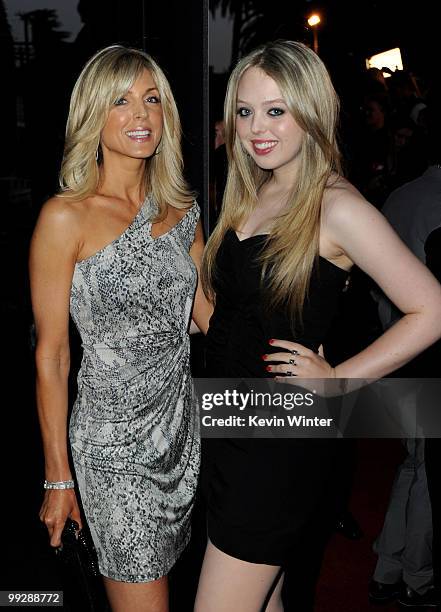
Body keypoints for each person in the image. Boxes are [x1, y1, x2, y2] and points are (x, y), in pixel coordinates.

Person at [196, 40, 441, 612]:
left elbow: (431, 309)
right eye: (245, 110)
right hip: (229, 424)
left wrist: (338, 381)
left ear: (311, 110)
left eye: (276, 110)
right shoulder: (258, 188)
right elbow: (233, 313)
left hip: (277, 440)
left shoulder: (337, 205)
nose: (258, 127)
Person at [29, 45, 211, 612]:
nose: (141, 114)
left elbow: (210, 319)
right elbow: (51, 357)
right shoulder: (67, 216)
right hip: (112, 449)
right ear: (93, 115)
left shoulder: (183, 211)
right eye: (121, 100)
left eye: (152, 100)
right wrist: (59, 478)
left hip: (181, 433)